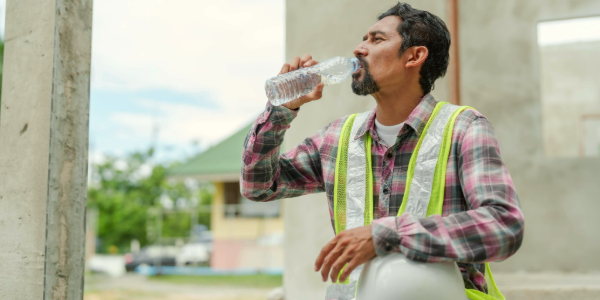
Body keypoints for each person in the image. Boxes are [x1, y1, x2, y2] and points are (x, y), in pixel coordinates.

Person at [241, 2, 524, 299]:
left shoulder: (464, 128)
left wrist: (388, 235)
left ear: (415, 56)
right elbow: (259, 185)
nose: (359, 49)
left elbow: (504, 226)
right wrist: (280, 112)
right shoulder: (336, 138)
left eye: (376, 40)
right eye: (364, 39)